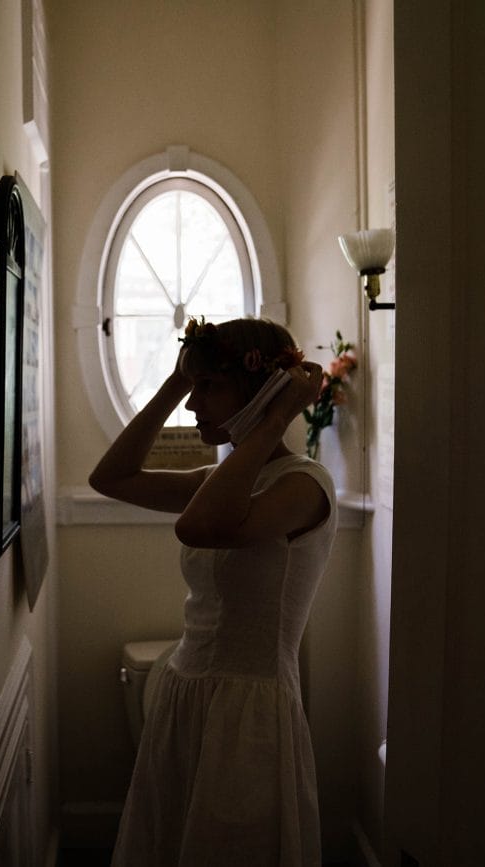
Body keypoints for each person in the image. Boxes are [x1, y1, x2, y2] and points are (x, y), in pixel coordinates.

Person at [89, 317, 338, 867]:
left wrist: (275, 419)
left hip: (248, 714)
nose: (192, 405)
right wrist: (176, 382)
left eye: (209, 387)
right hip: (184, 696)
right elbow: (109, 478)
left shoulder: (305, 486)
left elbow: (199, 528)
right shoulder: (216, 480)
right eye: (193, 388)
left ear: (263, 389)